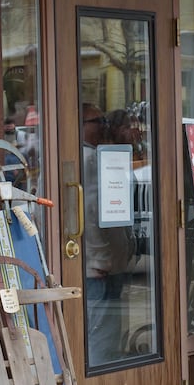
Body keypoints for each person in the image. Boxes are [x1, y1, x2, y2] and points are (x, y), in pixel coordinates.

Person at [81, 104, 133, 362]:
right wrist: (100, 257)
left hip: (102, 266)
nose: (104, 125)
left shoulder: (92, 157)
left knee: (98, 334)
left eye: (104, 119)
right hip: (100, 269)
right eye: (97, 120)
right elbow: (91, 213)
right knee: (102, 340)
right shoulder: (90, 160)